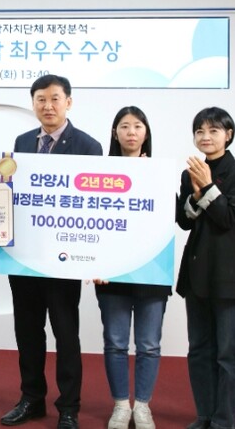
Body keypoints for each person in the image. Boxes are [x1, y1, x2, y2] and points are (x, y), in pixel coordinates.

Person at [0, 75, 103, 429]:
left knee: (66, 334)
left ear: (68, 102)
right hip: (25, 256)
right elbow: (16, 194)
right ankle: (31, 398)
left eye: (55, 98)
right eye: (41, 99)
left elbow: (94, 206)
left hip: (64, 259)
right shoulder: (22, 142)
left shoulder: (88, 146)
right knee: (28, 332)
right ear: (33, 103)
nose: (48, 105)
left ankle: (69, 407)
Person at [176, 107, 235, 429]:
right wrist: (195, 196)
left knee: (228, 356)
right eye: (200, 131)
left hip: (230, 279)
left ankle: (225, 421)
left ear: (228, 135)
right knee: (199, 351)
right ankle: (204, 415)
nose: (205, 137)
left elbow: (228, 219)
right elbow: (183, 221)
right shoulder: (190, 173)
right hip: (197, 275)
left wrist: (207, 188)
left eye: (213, 131)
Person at [92, 106, 170, 429]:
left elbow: (170, 218)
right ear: (115, 133)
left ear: (146, 132)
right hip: (112, 274)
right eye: (124, 126)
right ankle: (121, 405)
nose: (131, 132)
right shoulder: (101, 171)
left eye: (137, 126)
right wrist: (93, 261)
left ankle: (143, 407)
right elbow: (91, 220)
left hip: (151, 273)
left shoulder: (159, 172)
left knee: (149, 345)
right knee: (115, 342)